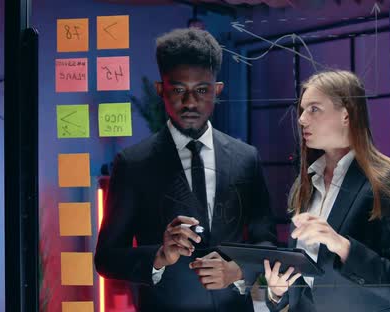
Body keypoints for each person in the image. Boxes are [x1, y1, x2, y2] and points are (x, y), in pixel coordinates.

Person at [95, 28, 276, 312]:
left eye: (201, 90)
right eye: (178, 89)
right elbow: (105, 258)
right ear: (160, 90)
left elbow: (266, 240)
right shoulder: (133, 164)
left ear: (217, 91)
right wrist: (158, 256)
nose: (190, 102)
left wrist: (238, 270)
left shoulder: (246, 158)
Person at [263, 70, 390, 312]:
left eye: (314, 109)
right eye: (302, 110)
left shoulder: (387, 179)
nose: (302, 119)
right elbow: (300, 286)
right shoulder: (304, 182)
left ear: (346, 115)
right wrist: (276, 291)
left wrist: (341, 245)